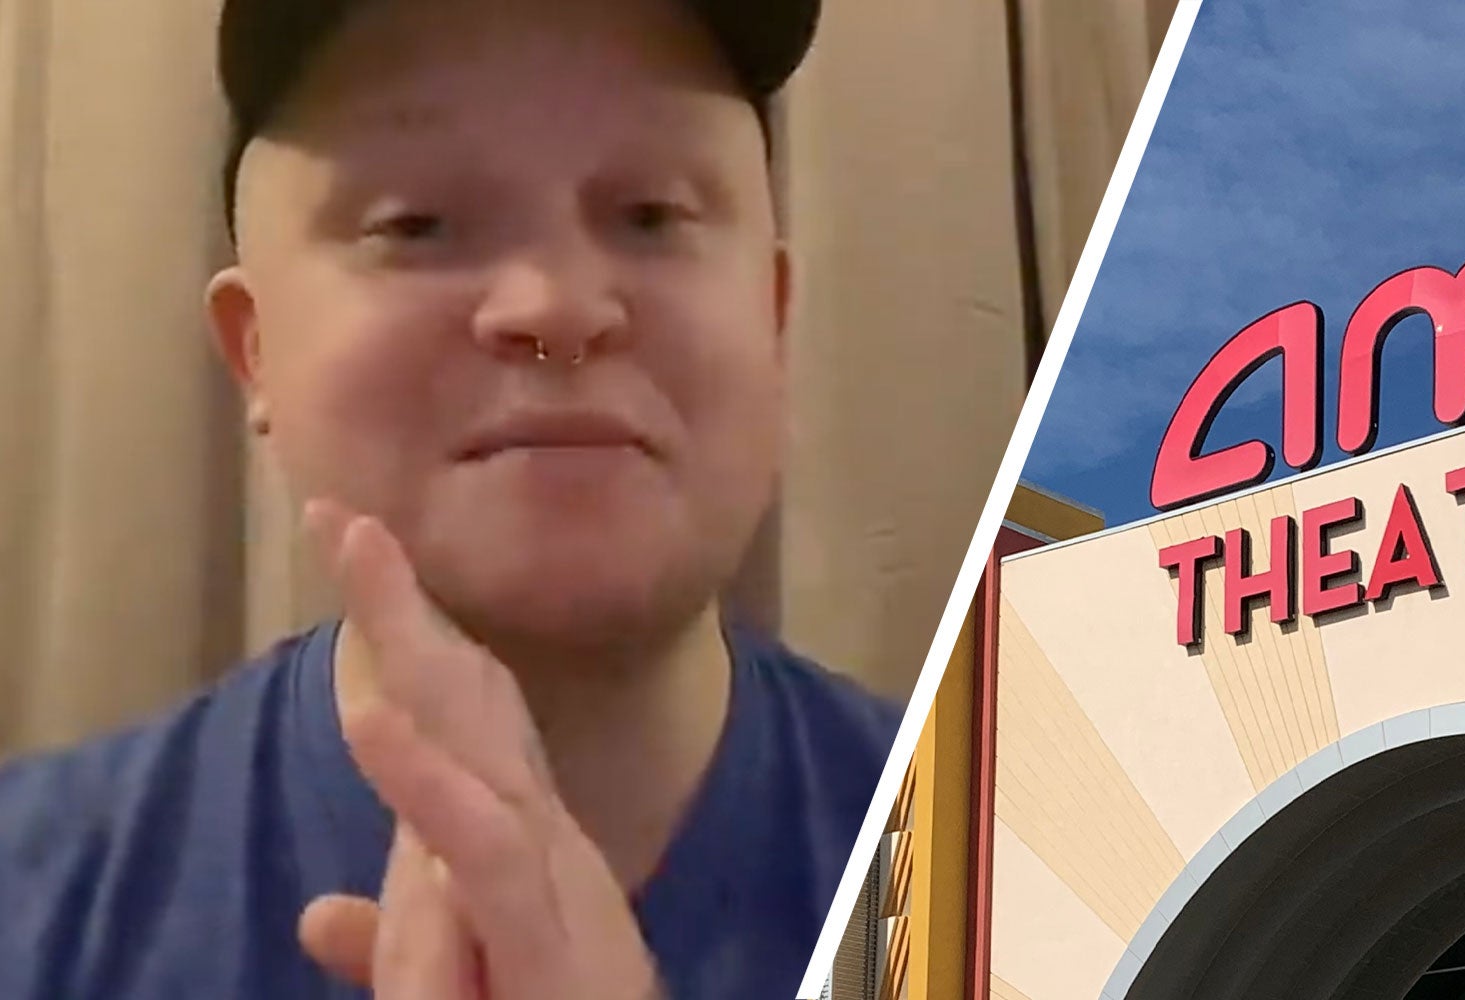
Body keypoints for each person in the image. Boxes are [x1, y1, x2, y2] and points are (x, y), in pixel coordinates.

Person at [0, 0, 903, 996]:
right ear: (254, 353)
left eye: (651, 215)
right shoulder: (28, 905)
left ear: (772, 316)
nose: (556, 306)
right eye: (416, 225)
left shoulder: (1047, 877)